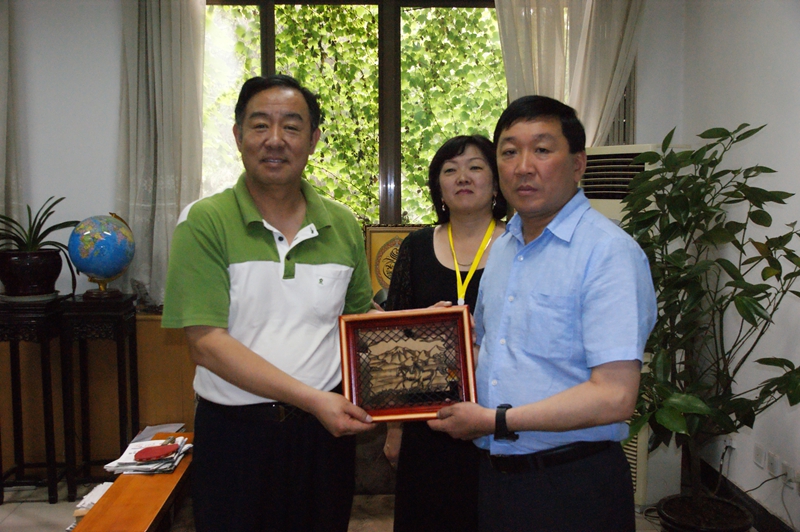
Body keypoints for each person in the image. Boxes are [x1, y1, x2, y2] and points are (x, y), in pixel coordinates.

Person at [428, 95, 657, 531]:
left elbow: (615, 396)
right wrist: (441, 338)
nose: (523, 167)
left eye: (542, 149)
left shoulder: (608, 253)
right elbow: (493, 353)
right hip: (498, 479)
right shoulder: (504, 248)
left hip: (573, 484)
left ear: (578, 164)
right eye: (509, 152)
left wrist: (496, 421)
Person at [161, 74, 375, 532]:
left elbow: (358, 320)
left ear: (313, 140)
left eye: (292, 127)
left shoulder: (342, 224)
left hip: (323, 440)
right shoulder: (204, 222)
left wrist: (430, 329)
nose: (275, 140)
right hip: (235, 436)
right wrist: (312, 400)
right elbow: (206, 343)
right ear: (238, 135)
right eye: (260, 125)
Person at [383, 135, 507, 532]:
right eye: (450, 170)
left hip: (498, 420)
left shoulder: (519, 246)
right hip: (428, 424)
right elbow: (391, 344)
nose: (462, 177)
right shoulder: (416, 247)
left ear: (496, 181)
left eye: (475, 167)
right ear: (438, 186)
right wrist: (395, 430)